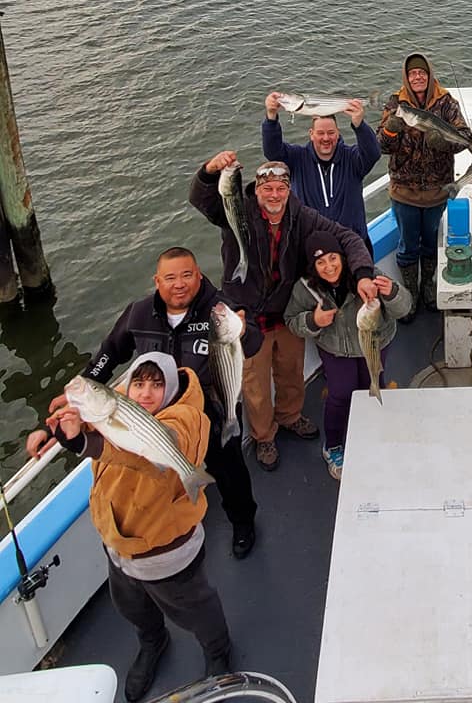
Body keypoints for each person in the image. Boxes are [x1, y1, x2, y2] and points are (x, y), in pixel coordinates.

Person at [28, 248, 263, 559]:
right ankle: (178, 523)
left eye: (187, 275)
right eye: (170, 278)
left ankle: (243, 522)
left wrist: (244, 331)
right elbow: (109, 354)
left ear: (199, 275)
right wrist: (74, 394)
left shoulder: (219, 310)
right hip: (154, 417)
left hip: (212, 410)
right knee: (159, 476)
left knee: (230, 469)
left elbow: (254, 341)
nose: (179, 284)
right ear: (156, 281)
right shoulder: (138, 314)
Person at [38, 353, 231, 702]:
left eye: (157, 385)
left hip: (167, 551)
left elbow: (141, 452)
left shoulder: (187, 417)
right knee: (130, 606)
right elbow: (99, 429)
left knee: (195, 607)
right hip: (117, 543)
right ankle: (152, 642)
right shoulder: (115, 413)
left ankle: (218, 651)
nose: (145, 393)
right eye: (138, 383)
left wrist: (88, 442)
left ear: (171, 389)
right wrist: (64, 433)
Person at [190, 153, 376, 472]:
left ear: (288, 190)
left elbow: (348, 237)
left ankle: (290, 417)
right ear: (256, 190)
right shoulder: (237, 209)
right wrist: (208, 172)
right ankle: (264, 436)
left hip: (286, 309)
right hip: (246, 316)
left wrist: (362, 273)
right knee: (256, 382)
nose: (274, 195)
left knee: (291, 372)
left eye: (280, 188)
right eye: (267, 189)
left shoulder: (300, 215)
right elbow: (202, 200)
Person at [284, 231, 412, 479]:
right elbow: (291, 320)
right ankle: (333, 445)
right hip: (336, 350)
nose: (329, 267)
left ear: (343, 257)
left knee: (373, 385)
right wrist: (313, 320)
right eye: (320, 262)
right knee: (340, 394)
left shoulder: (368, 276)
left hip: (375, 343)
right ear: (312, 266)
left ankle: (373, 430)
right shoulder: (305, 289)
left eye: (333, 258)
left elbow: (404, 307)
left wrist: (392, 292)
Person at [376, 52, 472, 323]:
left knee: (430, 242)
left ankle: (429, 287)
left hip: (436, 191)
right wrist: (391, 131)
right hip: (403, 190)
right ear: (406, 78)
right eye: (412, 74)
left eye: (422, 73)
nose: (417, 77)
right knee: (408, 245)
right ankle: (409, 293)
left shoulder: (446, 103)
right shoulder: (395, 103)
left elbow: (465, 138)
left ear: (429, 75)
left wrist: (445, 143)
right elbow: (380, 145)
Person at [262, 92, 380, 255]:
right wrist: (271, 117)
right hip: (312, 246)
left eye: (331, 133)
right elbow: (272, 151)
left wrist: (359, 125)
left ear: (338, 133)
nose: (326, 138)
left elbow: (373, 153)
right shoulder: (297, 158)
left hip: (353, 244)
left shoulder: (353, 159)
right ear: (311, 134)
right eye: (320, 133)